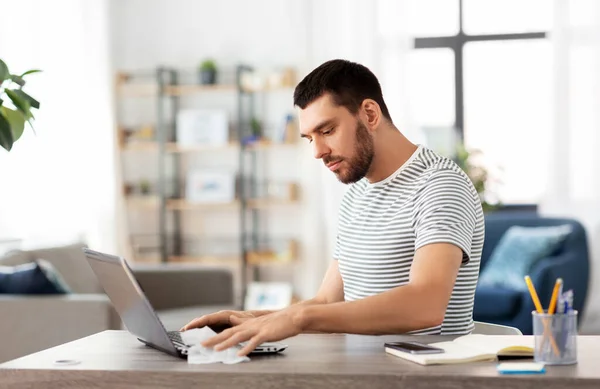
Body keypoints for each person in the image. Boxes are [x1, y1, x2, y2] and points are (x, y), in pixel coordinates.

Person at [182, 59, 485, 357]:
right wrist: (253, 320)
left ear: (369, 113)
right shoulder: (356, 194)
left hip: (424, 377)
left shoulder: (440, 185)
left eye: (326, 131)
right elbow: (328, 302)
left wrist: (298, 320)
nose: (317, 152)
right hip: (360, 372)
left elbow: (425, 306)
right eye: (310, 138)